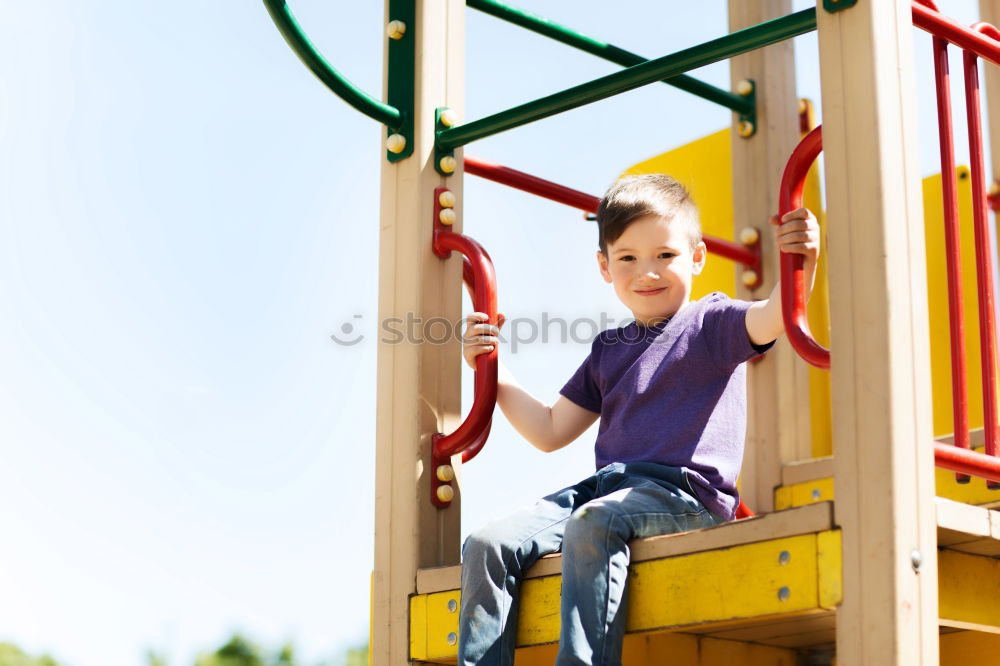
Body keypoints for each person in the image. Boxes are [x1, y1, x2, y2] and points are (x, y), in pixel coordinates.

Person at [457, 174, 820, 666]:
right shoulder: (609, 350)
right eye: (628, 258)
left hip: (684, 496)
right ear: (605, 267)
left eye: (665, 256)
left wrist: (803, 260)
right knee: (487, 543)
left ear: (696, 257)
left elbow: (776, 314)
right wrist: (492, 369)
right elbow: (548, 429)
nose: (647, 272)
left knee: (593, 523)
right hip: (608, 492)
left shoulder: (711, 324)